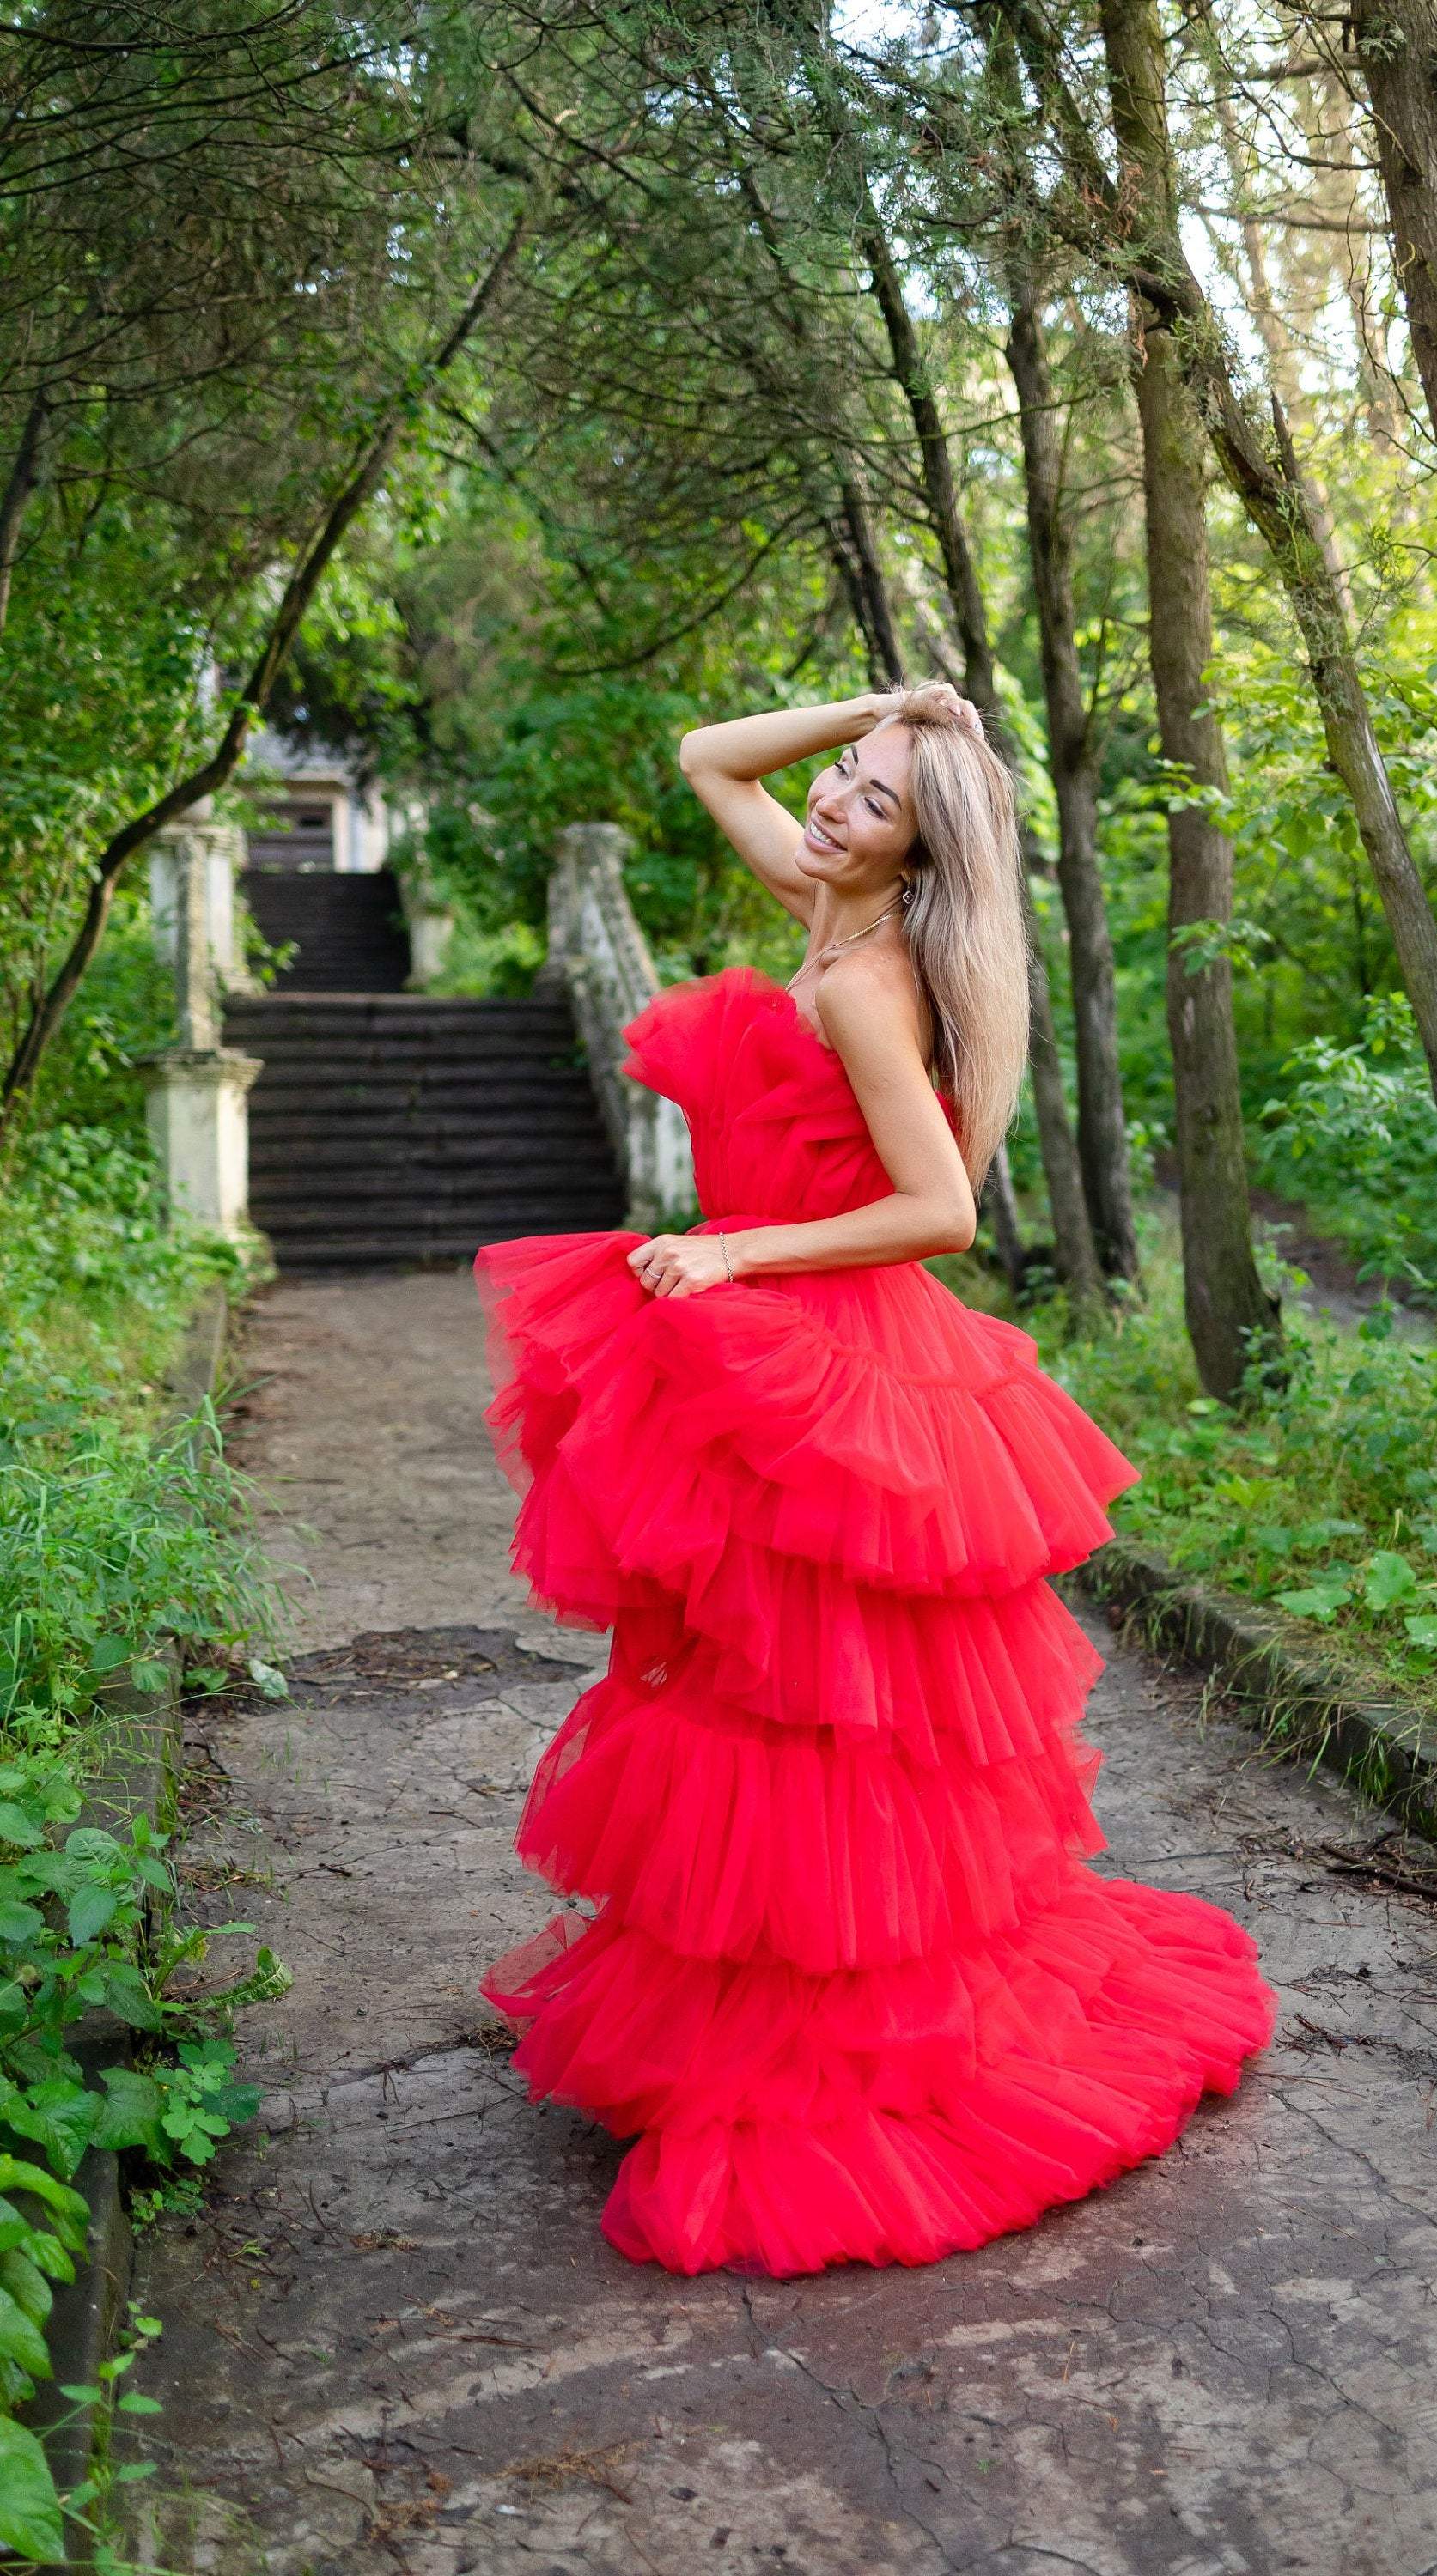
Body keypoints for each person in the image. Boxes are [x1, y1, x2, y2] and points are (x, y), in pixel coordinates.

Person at [472, 683, 1276, 2278]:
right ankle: (747, 2022)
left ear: (921, 858)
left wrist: (737, 1251)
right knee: (743, 1695)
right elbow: (705, 754)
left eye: (878, 801)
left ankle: (852, 2047)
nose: (836, 803)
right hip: (767, 1346)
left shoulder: (870, 984)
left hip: (825, 1351)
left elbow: (941, 1208)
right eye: (841, 782)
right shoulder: (817, 907)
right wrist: (890, 709)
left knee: (828, 1718)